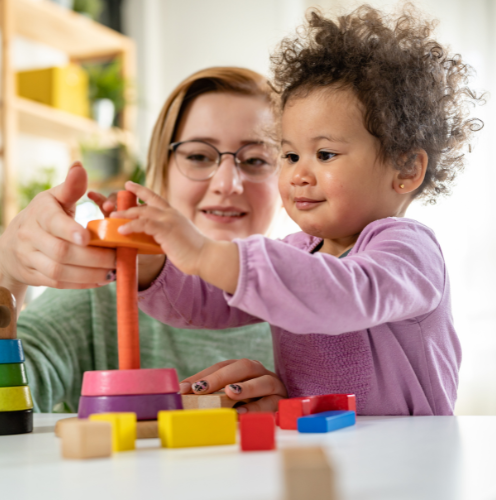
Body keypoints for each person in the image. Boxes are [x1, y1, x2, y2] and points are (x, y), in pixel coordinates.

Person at [111, 5, 484, 415]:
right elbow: (209, 299)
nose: (298, 175)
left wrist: (204, 252)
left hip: (407, 455)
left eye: (324, 154)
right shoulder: (297, 251)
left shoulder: (409, 251)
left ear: (406, 168)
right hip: (318, 447)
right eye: (289, 156)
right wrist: (152, 265)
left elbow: (342, 293)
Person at [0, 67, 283, 425]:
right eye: (199, 156)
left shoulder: (321, 299)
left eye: (256, 160)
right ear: (162, 170)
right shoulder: (98, 298)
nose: (226, 183)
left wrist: (301, 409)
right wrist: (3, 271)